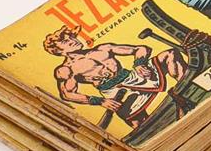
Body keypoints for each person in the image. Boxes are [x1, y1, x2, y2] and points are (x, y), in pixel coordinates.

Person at [45, 27, 186, 127]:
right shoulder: (65, 70)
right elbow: (67, 94)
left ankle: (185, 89)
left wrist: (139, 63)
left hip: (136, 76)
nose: (72, 40)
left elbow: (141, 49)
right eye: (65, 41)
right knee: (141, 125)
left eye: (71, 37)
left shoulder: (103, 48)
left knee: (170, 55)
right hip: (116, 94)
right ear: (58, 51)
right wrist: (99, 101)